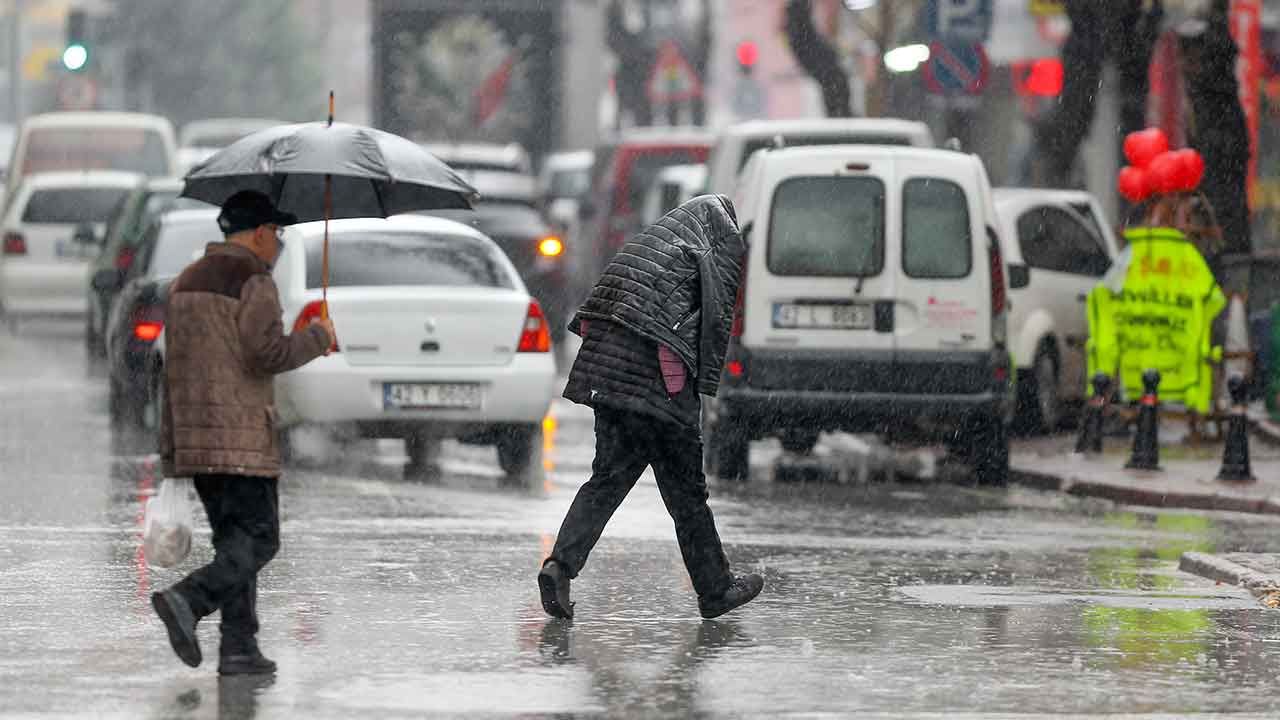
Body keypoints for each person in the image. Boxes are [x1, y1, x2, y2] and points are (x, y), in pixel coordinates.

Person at [538, 194, 764, 620]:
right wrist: (694, 393)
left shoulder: (647, 247)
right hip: (659, 392)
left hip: (609, 384)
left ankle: (559, 566)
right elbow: (709, 322)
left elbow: (590, 317)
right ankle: (715, 590)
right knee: (688, 498)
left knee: (605, 483)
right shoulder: (713, 247)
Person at [152, 190, 335, 675]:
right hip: (239, 437)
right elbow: (266, 353)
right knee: (260, 540)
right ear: (258, 234)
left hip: (193, 436)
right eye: (276, 234)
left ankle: (239, 648)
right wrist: (317, 337)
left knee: (235, 542)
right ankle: (187, 600)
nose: (278, 245)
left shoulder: (186, 280)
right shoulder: (254, 280)